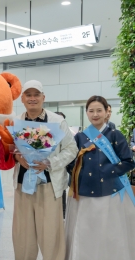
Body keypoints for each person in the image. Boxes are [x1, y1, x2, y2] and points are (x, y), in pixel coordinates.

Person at [12, 80, 78, 260]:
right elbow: (10, 149)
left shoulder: (57, 121)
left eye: (36, 95)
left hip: (49, 186)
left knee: (51, 234)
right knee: (23, 235)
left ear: (43, 98)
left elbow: (72, 150)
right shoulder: (15, 121)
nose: (32, 98)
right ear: (22, 98)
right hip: (23, 186)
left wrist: (50, 162)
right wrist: (17, 157)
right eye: (28, 95)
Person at [65, 95, 135, 260]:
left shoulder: (115, 135)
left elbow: (128, 162)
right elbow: (70, 162)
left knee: (109, 232)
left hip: (110, 193)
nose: (95, 114)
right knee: (85, 230)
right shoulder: (79, 137)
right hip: (83, 193)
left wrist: (106, 172)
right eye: (91, 111)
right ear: (87, 113)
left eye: (99, 110)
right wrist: (77, 174)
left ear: (106, 112)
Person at [55, 111, 68, 219]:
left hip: (61, 169)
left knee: (62, 190)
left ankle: (63, 213)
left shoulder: (67, 136)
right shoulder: (46, 135)